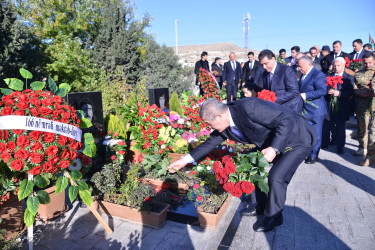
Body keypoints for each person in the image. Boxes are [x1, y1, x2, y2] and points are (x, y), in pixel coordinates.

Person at [167, 98, 316, 232]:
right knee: (245, 163)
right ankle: (260, 204)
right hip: (274, 142)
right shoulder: (225, 125)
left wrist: (274, 148)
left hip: (298, 138)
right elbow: (210, 143)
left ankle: (274, 216)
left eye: (209, 124)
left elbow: (287, 118)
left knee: (277, 176)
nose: (210, 128)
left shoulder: (248, 107)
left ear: (219, 116)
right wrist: (183, 161)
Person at [298, 56, 327, 164]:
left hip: (315, 110)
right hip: (305, 109)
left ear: (308, 64)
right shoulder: (303, 74)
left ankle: (314, 155)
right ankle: (306, 152)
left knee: (316, 134)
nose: (299, 69)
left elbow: (322, 90)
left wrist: (306, 95)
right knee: (306, 133)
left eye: (300, 66)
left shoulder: (318, 74)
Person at [321, 57, 354, 154]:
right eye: (334, 65)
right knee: (326, 124)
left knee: (340, 126)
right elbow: (322, 88)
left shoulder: (349, 77)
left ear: (344, 65)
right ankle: (325, 142)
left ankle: (340, 146)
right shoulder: (328, 76)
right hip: (328, 104)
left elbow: (351, 91)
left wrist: (339, 93)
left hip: (342, 105)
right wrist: (327, 91)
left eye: (338, 65)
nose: (336, 67)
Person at [353, 53, 375, 164]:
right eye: (365, 63)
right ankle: (362, 147)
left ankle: (372, 151)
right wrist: (360, 92)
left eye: (370, 62)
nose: (367, 64)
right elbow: (354, 88)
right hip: (362, 104)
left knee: (373, 129)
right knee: (362, 126)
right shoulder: (358, 74)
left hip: (374, 104)